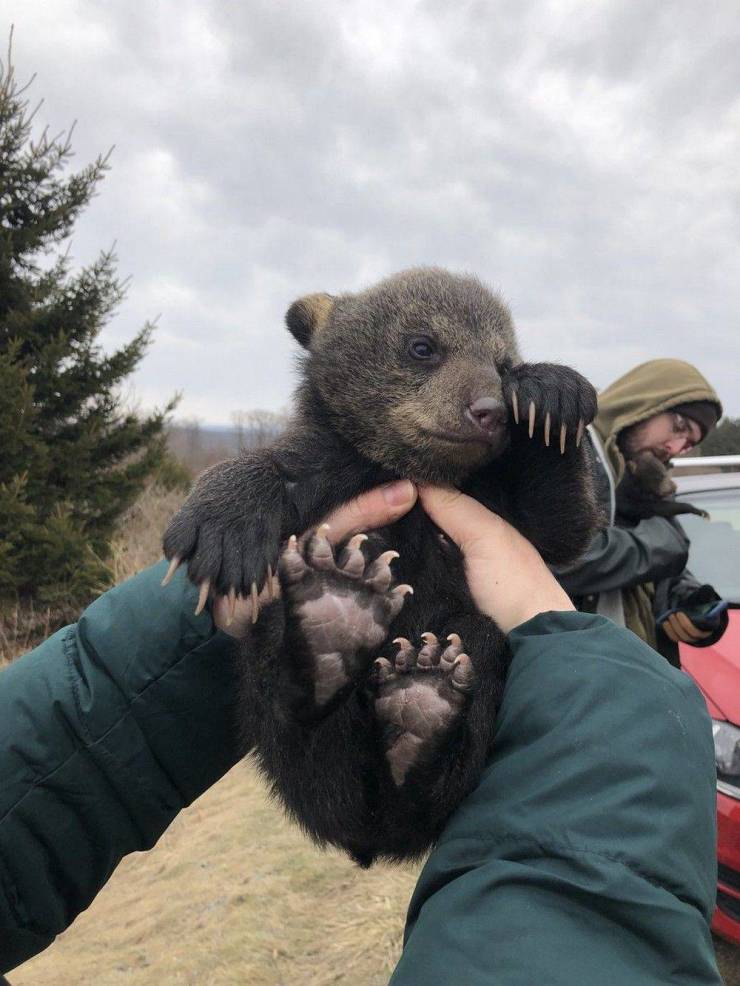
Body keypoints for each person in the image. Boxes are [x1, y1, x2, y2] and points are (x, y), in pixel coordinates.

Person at [0, 481, 722, 983]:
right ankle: (362, 699)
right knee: (333, 674)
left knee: (323, 672)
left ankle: (366, 702)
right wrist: (600, 690)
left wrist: (198, 603)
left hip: (385, 727)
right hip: (377, 733)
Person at [556, 358, 728, 666]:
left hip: (636, 683)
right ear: (642, 403)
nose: (675, 447)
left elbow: (661, 572)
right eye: (679, 427)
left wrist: (687, 601)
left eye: (688, 444)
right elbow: (556, 560)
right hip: (572, 680)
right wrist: (655, 546)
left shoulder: (645, 479)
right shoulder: (563, 451)